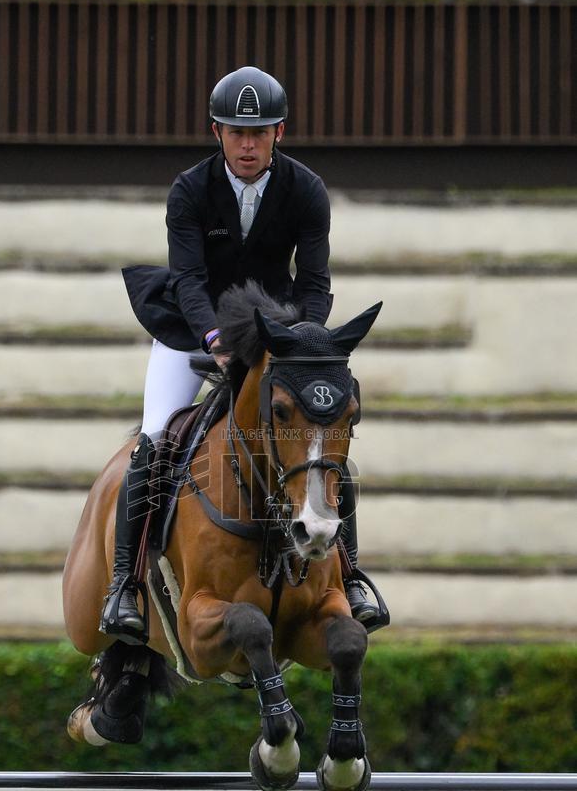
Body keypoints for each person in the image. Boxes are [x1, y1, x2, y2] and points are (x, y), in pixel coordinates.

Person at [99, 66, 385, 646]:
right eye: (236, 132)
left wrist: (302, 341)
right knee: (153, 440)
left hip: (278, 337)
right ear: (216, 131)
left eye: (259, 133)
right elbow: (188, 280)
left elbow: (315, 282)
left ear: (280, 132)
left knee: (324, 440)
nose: (247, 144)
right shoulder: (189, 190)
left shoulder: (306, 189)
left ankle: (350, 576)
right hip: (193, 331)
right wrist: (215, 342)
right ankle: (124, 589)